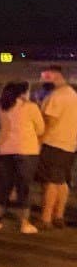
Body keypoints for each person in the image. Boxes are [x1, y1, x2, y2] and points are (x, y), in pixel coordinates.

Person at [0, 80, 44, 233]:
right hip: (26, 150)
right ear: (23, 92)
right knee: (24, 188)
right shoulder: (30, 107)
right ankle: (24, 223)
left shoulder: (2, 107)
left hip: (4, 150)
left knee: (4, 186)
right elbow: (40, 129)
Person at [38, 64, 77, 229]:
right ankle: (59, 215)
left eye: (46, 75)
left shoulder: (57, 96)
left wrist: (39, 142)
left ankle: (46, 218)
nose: (43, 79)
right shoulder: (73, 94)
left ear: (54, 76)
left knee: (50, 182)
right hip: (69, 144)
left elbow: (50, 122)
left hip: (53, 144)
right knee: (62, 182)